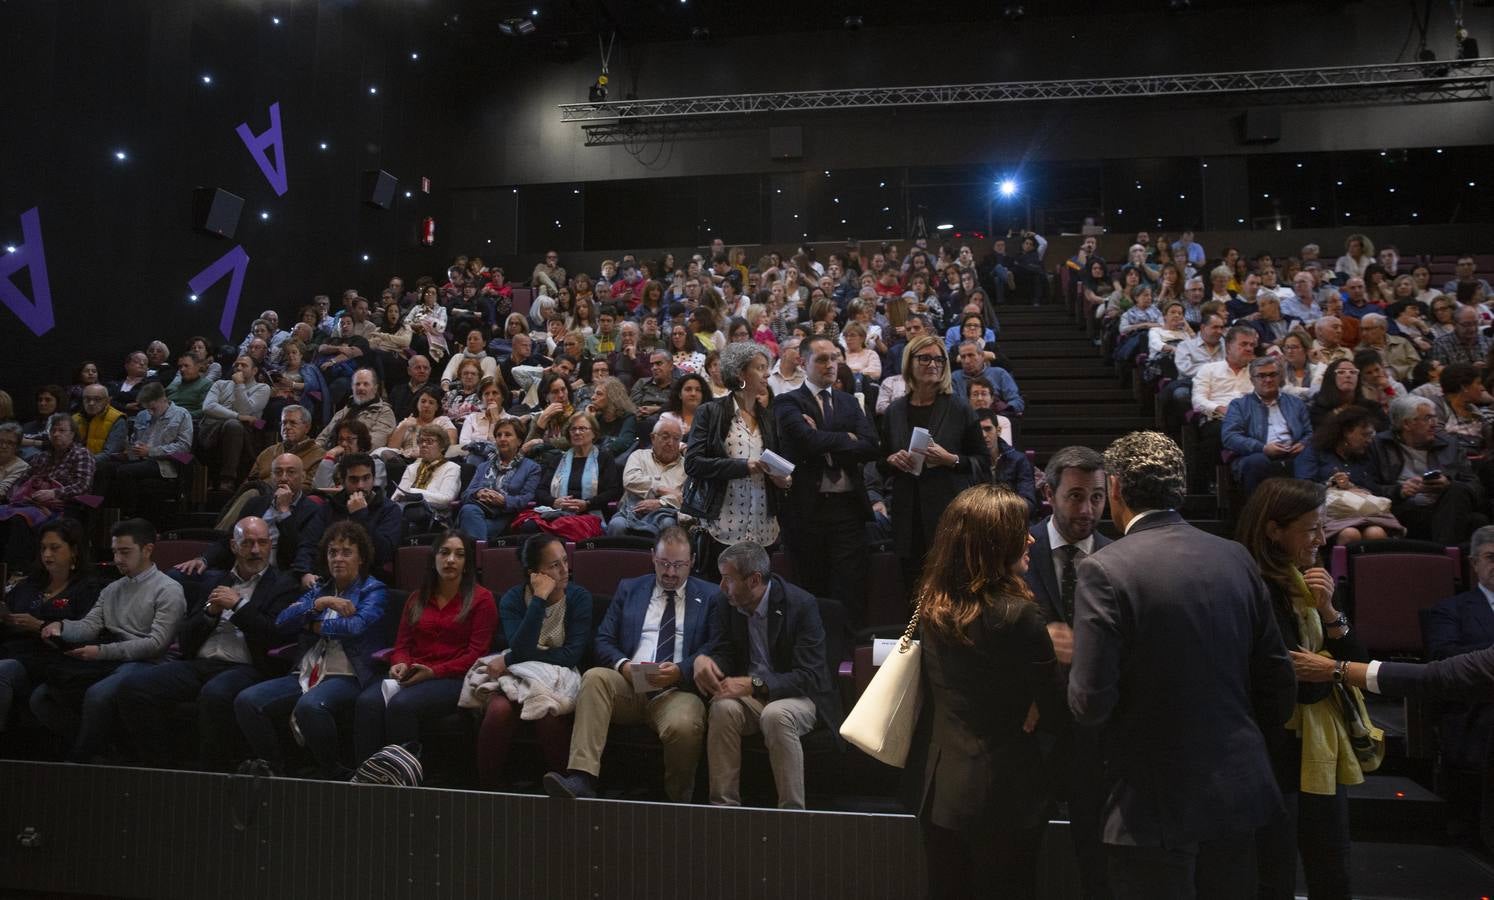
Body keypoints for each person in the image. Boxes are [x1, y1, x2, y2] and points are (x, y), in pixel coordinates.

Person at [1069, 431, 1296, 900]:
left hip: (1151, 804)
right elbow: (1278, 679)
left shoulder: (1105, 569)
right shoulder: (1235, 556)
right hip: (1238, 792)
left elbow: (1090, 703)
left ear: (1114, 488)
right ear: (1180, 486)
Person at [913, 484, 1063, 899]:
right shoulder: (1021, 616)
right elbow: (1054, 710)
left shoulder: (932, 605)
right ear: (995, 542)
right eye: (1021, 530)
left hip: (942, 790)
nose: (1031, 537)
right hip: (1007, 796)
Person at [1235, 479, 1366, 900]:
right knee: (1272, 875)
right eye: (1311, 528)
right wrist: (1336, 671)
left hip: (1319, 745)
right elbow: (1291, 680)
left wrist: (1329, 612)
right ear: (1274, 529)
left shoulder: (1310, 579)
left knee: (1333, 871)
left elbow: (1353, 658)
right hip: (1273, 747)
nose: (1321, 538)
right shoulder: (1252, 584)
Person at [543, 527, 717, 803]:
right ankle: (582, 777)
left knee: (684, 725)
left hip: (678, 690)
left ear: (692, 561)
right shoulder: (630, 588)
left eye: (679, 565)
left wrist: (682, 670)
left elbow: (717, 647)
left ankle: (679, 799)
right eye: (664, 564)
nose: (671, 572)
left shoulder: (710, 596)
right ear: (652, 557)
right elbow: (603, 639)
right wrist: (623, 665)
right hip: (630, 683)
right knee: (595, 678)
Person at [114, 517, 298, 769]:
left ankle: (210, 775)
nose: (256, 550)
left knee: (215, 694)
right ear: (234, 546)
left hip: (246, 667)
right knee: (133, 687)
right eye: (248, 543)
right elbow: (186, 637)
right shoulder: (214, 581)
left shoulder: (283, 584)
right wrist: (209, 615)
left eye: (262, 543)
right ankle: (160, 767)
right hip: (200, 663)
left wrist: (239, 606)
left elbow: (275, 633)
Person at [1018, 446, 1112, 898]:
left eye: (1097, 497)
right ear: (1048, 493)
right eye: (1075, 496)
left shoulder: (1121, 558)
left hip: (1097, 735)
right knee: (1020, 857)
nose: (1088, 509)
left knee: (1096, 859)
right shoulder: (1017, 552)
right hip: (1028, 730)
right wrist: (1041, 644)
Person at [233, 520, 388, 778]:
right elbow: (283, 621)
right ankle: (277, 770)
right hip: (308, 670)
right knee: (247, 701)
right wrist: (320, 603)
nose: (338, 558)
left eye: (346, 552)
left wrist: (313, 626)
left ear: (361, 557)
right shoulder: (320, 589)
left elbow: (356, 626)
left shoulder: (374, 590)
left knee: (310, 706)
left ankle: (334, 774)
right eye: (332, 552)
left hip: (350, 674)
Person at [694, 540, 838, 810]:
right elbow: (724, 651)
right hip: (751, 695)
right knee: (723, 708)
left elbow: (810, 676)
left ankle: (792, 814)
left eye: (728, 579)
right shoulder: (725, 603)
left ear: (754, 580)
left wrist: (756, 684)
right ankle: (723, 808)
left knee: (776, 715)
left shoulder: (801, 605)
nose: (722, 587)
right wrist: (706, 661)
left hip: (798, 696)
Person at [31, 519, 186, 762]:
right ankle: (98, 751)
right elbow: (89, 626)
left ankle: (79, 760)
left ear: (147, 549)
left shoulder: (168, 589)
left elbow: (156, 645)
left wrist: (101, 651)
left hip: (150, 663)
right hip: (111, 658)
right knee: (42, 695)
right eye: (115, 552)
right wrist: (60, 627)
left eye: (125, 552)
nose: (117, 559)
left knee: (98, 695)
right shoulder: (113, 588)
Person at [353, 529, 496, 765]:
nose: (451, 560)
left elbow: (476, 655)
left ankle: (404, 783)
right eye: (445, 553)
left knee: (401, 707)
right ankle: (367, 779)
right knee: (367, 703)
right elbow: (402, 645)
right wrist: (400, 663)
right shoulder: (417, 598)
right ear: (434, 558)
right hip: (413, 672)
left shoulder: (482, 599)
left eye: (459, 555)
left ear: (467, 563)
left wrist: (434, 672)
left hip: (454, 678)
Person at [773, 335, 882, 628]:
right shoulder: (787, 401)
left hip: (848, 509)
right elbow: (806, 441)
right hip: (807, 510)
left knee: (850, 590)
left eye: (834, 358)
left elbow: (872, 445)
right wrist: (847, 438)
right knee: (811, 589)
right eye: (821, 359)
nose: (830, 365)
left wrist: (823, 437)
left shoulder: (848, 401)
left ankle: (849, 658)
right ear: (802, 362)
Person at [476, 534, 593, 789]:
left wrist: (509, 658)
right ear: (534, 573)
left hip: (559, 676)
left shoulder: (579, 598)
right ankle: (486, 790)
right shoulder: (513, 600)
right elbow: (521, 647)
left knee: (545, 712)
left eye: (565, 561)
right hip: (520, 672)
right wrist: (539, 600)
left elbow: (570, 655)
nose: (565, 570)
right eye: (554, 565)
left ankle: (566, 788)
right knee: (498, 711)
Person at [881, 334, 991, 598]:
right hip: (907, 517)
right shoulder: (894, 411)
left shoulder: (959, 408)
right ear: (910, 362)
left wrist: (949, 459)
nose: (933, 364)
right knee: (913, 592)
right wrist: (892, 460)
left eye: (939, 359)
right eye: (925, 358)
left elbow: (983, 462)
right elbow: (881, 462)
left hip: (948, 514)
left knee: (951, 591)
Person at [684, 342, 790, 577]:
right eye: (760, 367)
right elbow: (693, 463)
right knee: (720, 597)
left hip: (763, 524)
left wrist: (785, 481)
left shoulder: (770, 418)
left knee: (755, 600)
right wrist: (745, 467)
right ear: (740, 373)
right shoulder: (711, 412)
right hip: (723, 522)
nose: (767, 373)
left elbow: (779, 464)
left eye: (768, 367)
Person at [0, 520, 101, 732]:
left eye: (55, 548)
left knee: (4, 670)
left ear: (73, 551)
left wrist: (39, 626)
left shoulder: (87, 589)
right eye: (43, 548)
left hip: (51, 660)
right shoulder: (29, 585)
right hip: (14, 650)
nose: (47, 555)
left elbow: (84, 636)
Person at [1368, 395, 1485, 545]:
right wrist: (1399, 491)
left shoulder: (1449, 445)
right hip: (1403, 510)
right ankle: (1447, 556)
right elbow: (1367, 488)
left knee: (1462, 498)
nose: (1434, 424)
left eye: (1435, 418)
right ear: (1407, 424)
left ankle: (1444, 553)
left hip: (1444, 507)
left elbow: (1475, 486)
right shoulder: (1379, 446)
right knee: (1472, 522)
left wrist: (1447, 484)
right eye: (1427, 418)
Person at [1293, 406, 1403, 544]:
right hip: (1331, 511)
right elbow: (1303, 486)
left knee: (1376, 533)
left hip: (1363, 511)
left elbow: (1375, 487)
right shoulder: (1315, 451)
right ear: (1346, 432)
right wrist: (1331, 484)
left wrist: (1400, 490)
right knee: (1350, 534)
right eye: (1364, 435)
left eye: (1370, 435)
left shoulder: (1367, 454)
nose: (1369, 440)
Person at [0, 414, 96, 568]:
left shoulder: (82, 454)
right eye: (53, 430)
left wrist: (54, 493)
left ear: (72, 434)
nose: (56, 434)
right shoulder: (42, 457)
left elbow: (82, 485)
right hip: (33, 502)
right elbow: (21, 481)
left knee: (20, 519)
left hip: (65, 506)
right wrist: (23, 494)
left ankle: (16, 570)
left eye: (62, 430)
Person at [296, 452, 401, 589]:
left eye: (366, 478)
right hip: (328, 577)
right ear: (343, 481)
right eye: (353, 480)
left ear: (373, 478)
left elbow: (383, 553)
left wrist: (360, 515)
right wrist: (305, 572)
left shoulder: (389, 509)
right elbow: (308, 543)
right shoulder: (330, 507)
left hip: (369, 580)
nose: (360, 486)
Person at [1221, 356, 1312, 494]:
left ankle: (1305, 509)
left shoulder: (1296, 403)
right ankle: (1260, 512)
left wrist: (1303, 443)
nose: (1268, 380)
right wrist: (1262, 448)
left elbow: (1309, 432)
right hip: (1258, 454)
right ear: (1252, 380)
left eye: (1272, 375)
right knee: (1257, 462)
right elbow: (1230, 436)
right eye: (1261, 376)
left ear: (1280, 377)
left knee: (1309, 455)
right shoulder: (1239, 405)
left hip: (1293, 453)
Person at [455, 419, 541, 541]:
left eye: (508, 435)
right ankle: (480, 552)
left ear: (519, 441)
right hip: (479, 511)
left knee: (469, 523)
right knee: (469, 510)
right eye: (498, 435)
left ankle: (475, 552)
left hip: (507, 517)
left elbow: (528, 499)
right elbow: (466, 495)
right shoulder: (483, 466)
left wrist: (503, 500)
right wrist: (478, 493)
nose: (502, 438)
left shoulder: (531, 468)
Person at [200, 355, 271, 492]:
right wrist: (238, 416)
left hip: (245, 433)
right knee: (232, 422)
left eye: (244, 365)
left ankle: (227, 479)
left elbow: (246, 409)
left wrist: (239, 385)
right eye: (236, 365)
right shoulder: (220, 384)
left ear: (254, 370)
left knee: (233, 425)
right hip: (213, 431)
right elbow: (207, 407)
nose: (238, 368)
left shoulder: (262, 388)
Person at [608, 416, 687, 538]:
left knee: (669, 525)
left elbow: (684, 497)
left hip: (666, 513)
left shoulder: (686, 467)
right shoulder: (638, 456)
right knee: (616, 525)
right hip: (632, 510)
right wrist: (660, 489)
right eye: (665, 437)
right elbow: (630, 481)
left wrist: (661, 503)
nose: (670, 442)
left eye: (676, 439)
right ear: (653, 438)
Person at [390, 425, 462, 534]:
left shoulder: (452, 468)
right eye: (421, 441)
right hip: (407, 513)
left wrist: (413, 493)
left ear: (442, 446)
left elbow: (446, 500)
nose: (423, 445)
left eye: (429, 441)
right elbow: (395, 497)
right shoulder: (412, 468)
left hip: (436, 518)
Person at [315, 367, 397, 449]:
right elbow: (324, 436)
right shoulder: (346, 409)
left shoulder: (384, 412)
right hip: (328, 455)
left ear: (375, 388)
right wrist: (315, 449)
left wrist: (340, 450)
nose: (360, 388)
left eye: (366, 384)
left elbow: (373, 444)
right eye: (357, 384)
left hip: (356, 458)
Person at [976, 408, 1037, 515]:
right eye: (978, 430)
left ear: (998, 430)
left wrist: (998, 510)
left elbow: (1029, 502)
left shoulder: (1019, 461)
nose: (983, 435)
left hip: (1012, 520)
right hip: (980, 521)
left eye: (988, 429)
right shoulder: (971, 462)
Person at [630, 350, 678, 419]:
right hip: (642, 421)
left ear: (671, 366)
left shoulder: (678, 386)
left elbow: (679, 408)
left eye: (659, 363)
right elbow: (633, 406)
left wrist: (657, 409)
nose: (654, 368)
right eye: (652, 365)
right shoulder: (642, 383)